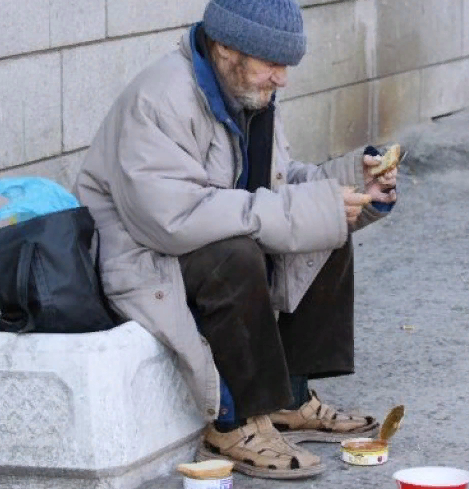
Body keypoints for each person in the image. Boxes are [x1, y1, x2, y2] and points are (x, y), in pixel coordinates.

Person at [74, 0, 398, 479]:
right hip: (144, 256)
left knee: (324, 227)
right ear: (227, 48)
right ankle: (235, 420)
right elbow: (173, 219)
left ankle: (288, 396)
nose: (282, 78)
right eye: (273, 64)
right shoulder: (160, 98)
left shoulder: (249, 93)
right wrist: (309, 207)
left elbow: (279, 188)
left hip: (196, 235)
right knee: (237, 255)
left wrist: (355, 185)